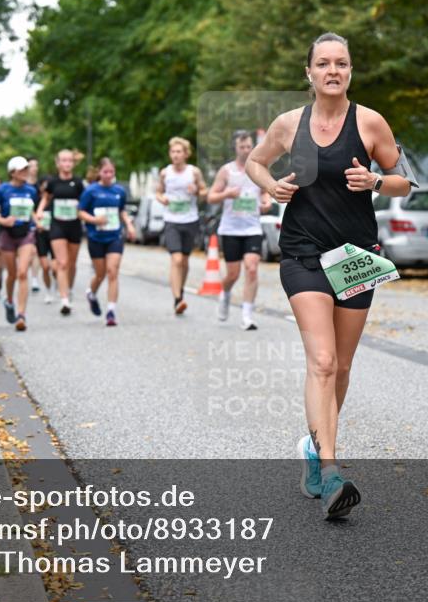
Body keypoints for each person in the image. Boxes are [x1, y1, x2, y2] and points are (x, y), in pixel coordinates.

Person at [245, 33, 413, 520]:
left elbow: (403, 179)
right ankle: (333, 470)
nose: (332, 71)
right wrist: (271, 184)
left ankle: (315, 448)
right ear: (310, 73)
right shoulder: (288, 124)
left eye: (341, 63)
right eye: (323, 63)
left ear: (350, 71)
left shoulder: (369, 122)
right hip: (302, 253)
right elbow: (256, 163)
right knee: (321, 360)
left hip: (356, 257)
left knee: (340, 366)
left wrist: (378, 182)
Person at [207, 130, 271, 330]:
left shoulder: (259, 169)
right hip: (230, 229)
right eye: (242, 146)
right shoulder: (227, 171)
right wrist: (226, 193)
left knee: (251, 269)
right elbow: (211, 197)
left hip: (252, 228)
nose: (246, 149)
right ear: (235, 147)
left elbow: (265, 193)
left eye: (249, 146)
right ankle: (225, 294)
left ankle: (247, 315)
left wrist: (266, 202)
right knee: (233, 274)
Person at [79, 157, 137, 326]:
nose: (108, 175)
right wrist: (94, 220)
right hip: (96, 237)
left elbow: (122, 211)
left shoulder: (119, 191)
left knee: (113, 271)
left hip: (115, 236)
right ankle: (91, 293)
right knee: (100, 273)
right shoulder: (91, 191)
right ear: (99, 172)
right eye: (105, 172)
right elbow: (80, 212)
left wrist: (129, 225)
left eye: (111, 172)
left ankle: (111, 311)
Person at [156, 137, 206, 315]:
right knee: (176, 259)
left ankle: (181, 290)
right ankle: (177, 299)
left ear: (186, 154)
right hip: (172, 221)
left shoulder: (194, 172)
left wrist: (197, 191)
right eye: (173, 152)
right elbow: (158, 192)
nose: (176, 155)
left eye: (179, 152)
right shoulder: (165, 173)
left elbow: (204, 191)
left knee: (184, 260)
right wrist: (163, 199)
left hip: (190, 220)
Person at [0, 157, 38, 331]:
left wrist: (36, 221)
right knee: (12, 274)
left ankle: (21, 315)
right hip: (8, 235)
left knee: (23, 273)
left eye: (27, 169)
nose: (25, 172)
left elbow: (31, 211)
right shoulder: (2, 190)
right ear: (13, 172)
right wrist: (3, 220)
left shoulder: (31, 190)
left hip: (25, 234)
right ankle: (9, 301)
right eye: (22, 169)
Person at [38, 149, 86, 315]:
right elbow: (45, 197)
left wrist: (84, 212)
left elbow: (85, 201)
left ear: (73, 163)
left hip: (74, 226)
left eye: (69, 161)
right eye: (63, 161)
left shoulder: (78, 183)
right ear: (58, 163)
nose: (66, 164)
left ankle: (69, 288)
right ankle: (64, 299)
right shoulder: (52, 182)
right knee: (62, 263)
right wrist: (39, 211)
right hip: (57, 225)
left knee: (72, 263)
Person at [25, 156, 49, 296]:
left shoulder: (40, 186)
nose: (35, 168)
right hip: (24, 223)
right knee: (28, 252)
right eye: (32, 165)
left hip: (39, 222)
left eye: (36, 165)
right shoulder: (22, 185)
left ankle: (34, 279)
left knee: (35, 251)